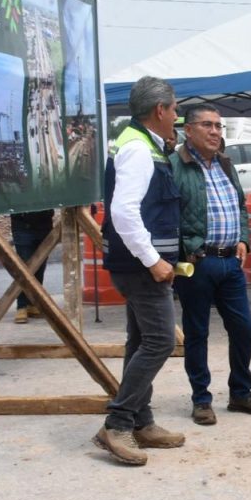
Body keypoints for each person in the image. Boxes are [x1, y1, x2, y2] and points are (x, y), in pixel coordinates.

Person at [92, 76, 184, 466]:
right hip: (139, 267)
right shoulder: (138, 150)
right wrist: (154, 260)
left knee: (139, 341)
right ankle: (117, 423)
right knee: (161, 341)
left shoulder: (143, 143)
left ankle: (142, 422)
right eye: (175, 108)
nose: (177, 115)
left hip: (138, 263)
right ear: (160, 110)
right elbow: (124, 212)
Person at [171, 102, 251, 426]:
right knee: (197, 333)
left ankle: (240, 392)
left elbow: (240, 206)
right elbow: (164, 215)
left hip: (231, 263)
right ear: (188, 130)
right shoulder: (174, 166)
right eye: (207, 125)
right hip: (197, 263)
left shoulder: (226, 164)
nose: (215, 131)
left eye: (218, 126)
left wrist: (243, 237)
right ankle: (201, 399)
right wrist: (188, 249)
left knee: (244, 329)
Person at [10, 209, 55, 323]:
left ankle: (33, 302)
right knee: (24, 266)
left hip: (44, 224)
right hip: (22, 224)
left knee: (40, 265)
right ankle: (22, 306)